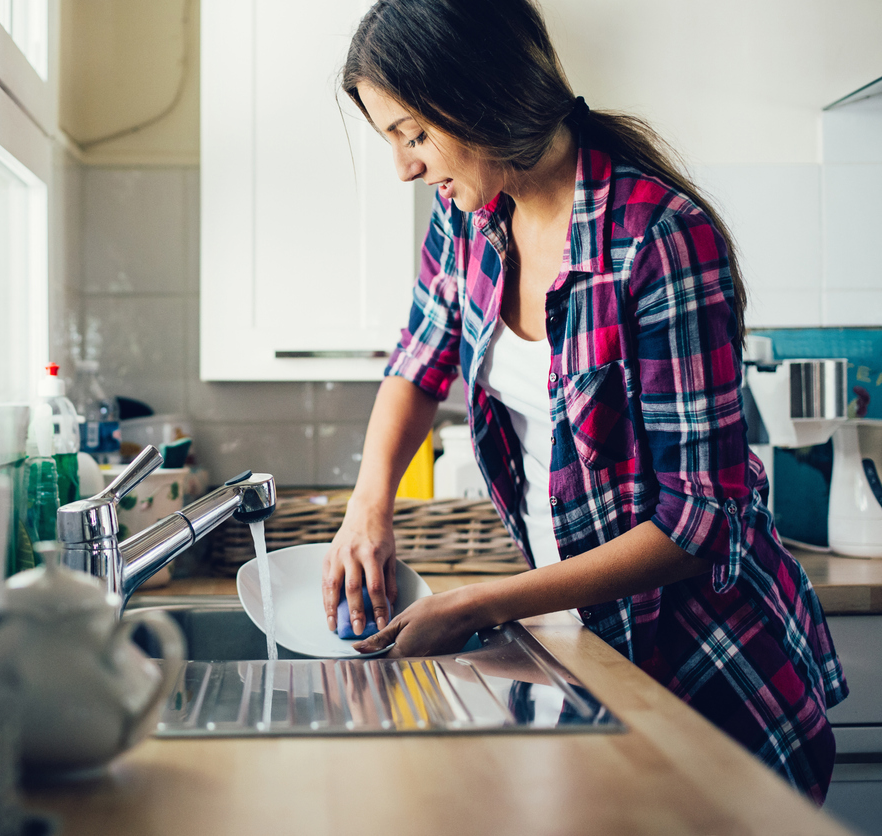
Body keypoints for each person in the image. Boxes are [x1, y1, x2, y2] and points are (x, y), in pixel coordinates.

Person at [321, 0, 847, 803]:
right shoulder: (468, 222)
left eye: (414, 134)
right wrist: (368, 508)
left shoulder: (659, 237)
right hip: (588, 648)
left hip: (713, 674)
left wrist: (483, 603)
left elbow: (699, 522)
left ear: (482, 97)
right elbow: (419, 363)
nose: (405, 169)